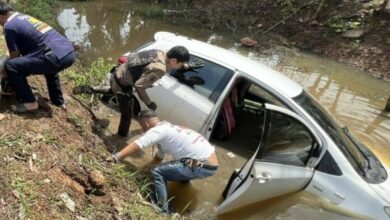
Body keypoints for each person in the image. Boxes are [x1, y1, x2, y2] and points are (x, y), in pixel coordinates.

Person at [73, 46, 203, 136]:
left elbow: (147, 63)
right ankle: (121, 137)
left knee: (113, 90)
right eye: (180, 65)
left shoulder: (159, 52)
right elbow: (139, 86)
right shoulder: (160, 69)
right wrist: (148, 103)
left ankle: (89, 89)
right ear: (174, 60)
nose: (179, 67)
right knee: (127, 116)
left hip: (117, 73)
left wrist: (187, 66)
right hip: (123, 84)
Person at [111, 110, 219, 214]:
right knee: (176, 162)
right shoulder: (169, 128)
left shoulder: (158, 130)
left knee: (157, 171)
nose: (144, 130)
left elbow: (139, 144)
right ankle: (184, 182)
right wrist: (145, 168)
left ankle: (163, 210)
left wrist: (116, 157)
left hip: (199, 165)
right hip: (211, 166)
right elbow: (158, 158)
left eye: (143, 127)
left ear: (146, 124)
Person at [0, 2, 75, 113]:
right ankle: (58, 101)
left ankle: (30, 103)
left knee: (11, 66)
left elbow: (14, 55)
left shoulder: (9, 26)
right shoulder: (23, 17)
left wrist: (6, 73)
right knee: (49, 67)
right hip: (68, 52)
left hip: (53, 56)